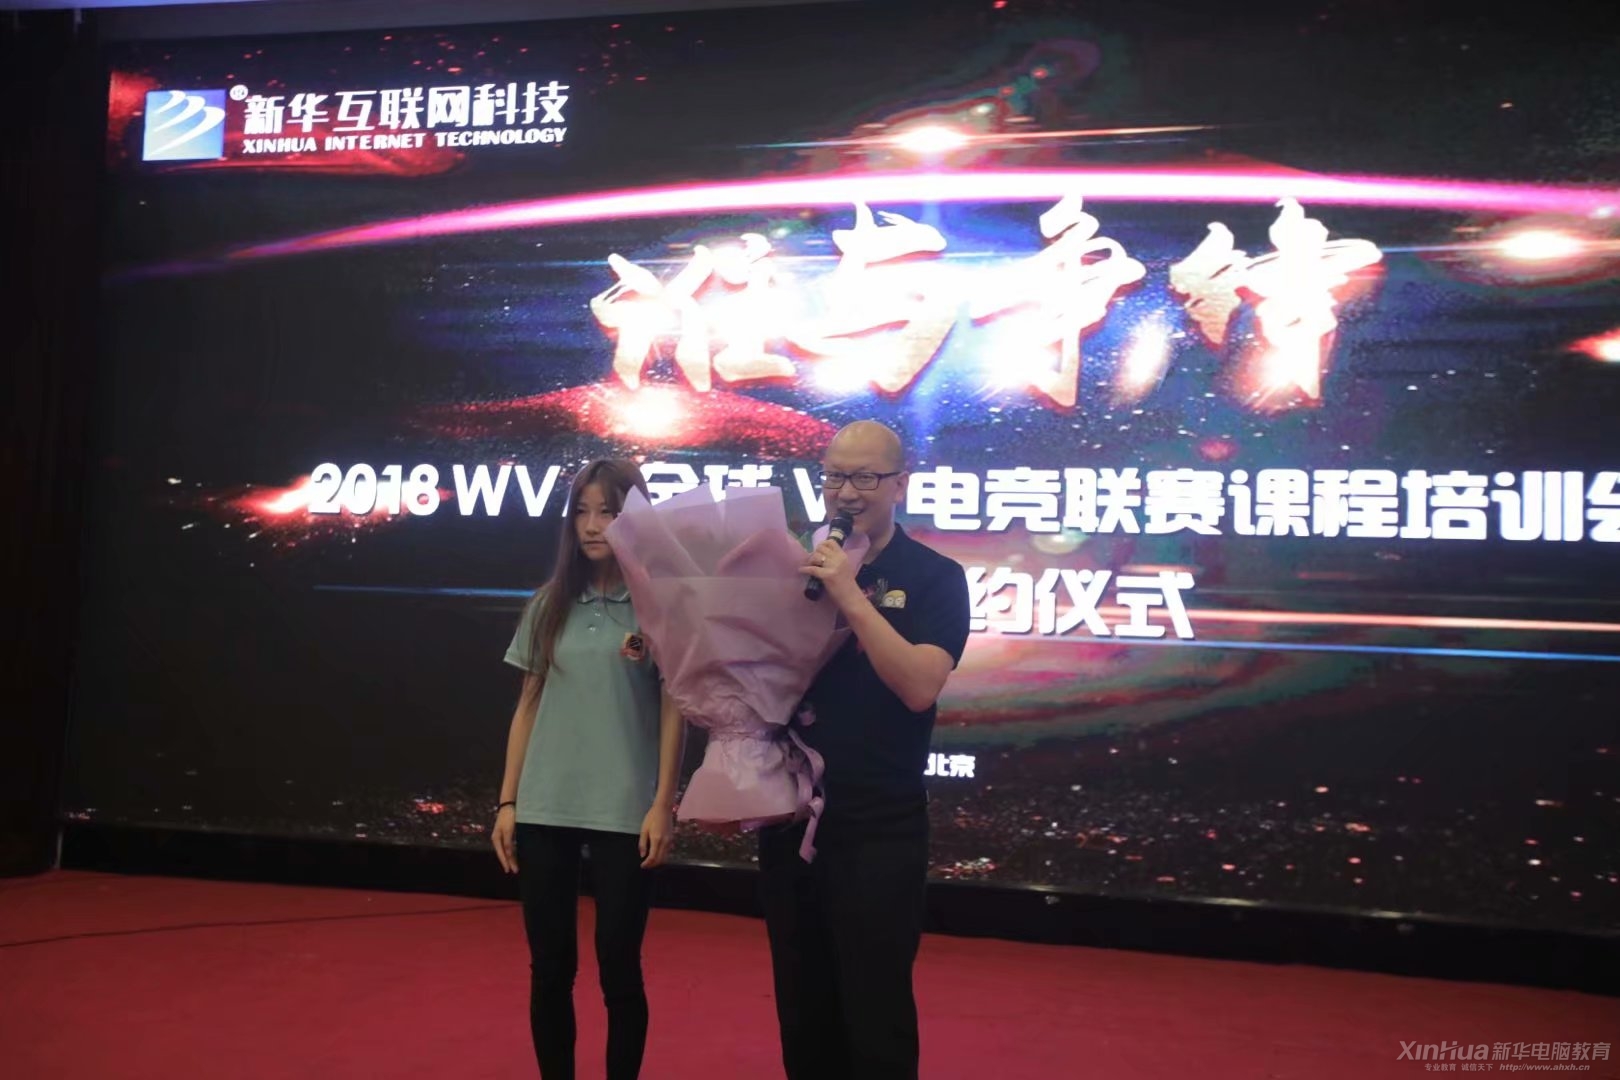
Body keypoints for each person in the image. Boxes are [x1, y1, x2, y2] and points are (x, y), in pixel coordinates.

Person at [761, 421, 973, 1080]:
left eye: (864, 478)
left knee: (875, 1013)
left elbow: (919, 686)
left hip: (880, 827)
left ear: (900, 484)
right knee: (804, 1010)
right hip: (790, 819)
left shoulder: (935, 577)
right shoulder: (788, 565)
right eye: (834, 476)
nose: (846, 493)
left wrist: (850, 595)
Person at [490, 458, 685, 1080]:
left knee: (619, 970)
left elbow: (674, 711)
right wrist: (508, 802)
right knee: (550, 970)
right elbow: (528, 706)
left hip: (625, 811)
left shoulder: (659, 606)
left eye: (609, 511)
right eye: (582, 511)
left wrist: (662, 803)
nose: (593, 525)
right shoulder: (548, 603)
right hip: (544, 805)